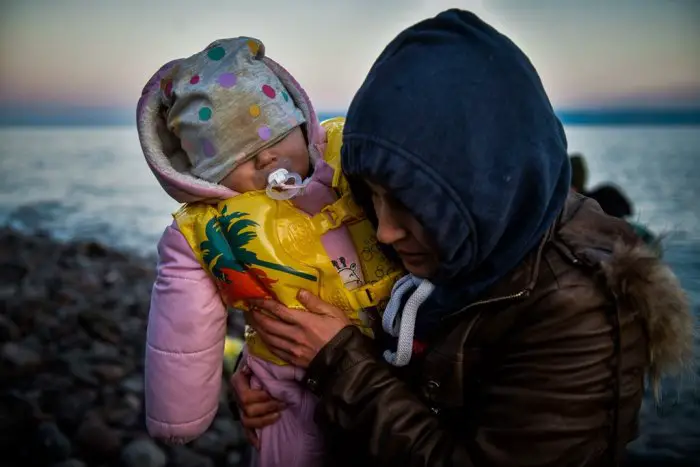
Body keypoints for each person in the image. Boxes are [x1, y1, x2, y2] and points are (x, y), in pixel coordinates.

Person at [230, 10, 693, 467]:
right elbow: (344, 325)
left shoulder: (577, 307)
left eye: (413, 204)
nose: (386, 230)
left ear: (480, 184)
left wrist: (336, 362)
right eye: (372, 196)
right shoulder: (437, 243)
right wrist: (272, 380)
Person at [136, 37, 400, 466]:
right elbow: (183, 323)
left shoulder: (352, 158)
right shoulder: (203, 231)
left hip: (399, 351)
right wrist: (178, 413)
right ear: (209, 179)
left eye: (277, 135)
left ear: (302, 122)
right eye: (239, 157)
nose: (267, 159)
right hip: (285, 381)